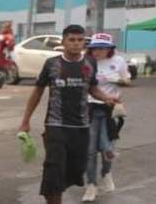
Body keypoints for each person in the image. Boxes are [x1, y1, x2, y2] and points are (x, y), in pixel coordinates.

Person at [18, 25, 118, 204]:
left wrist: (106, 98)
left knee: (75, 170)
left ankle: (56, 191)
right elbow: (37, 92)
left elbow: (92, 88)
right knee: (54, 171)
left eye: (80, 40)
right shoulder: (52, 64)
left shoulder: (89, 63)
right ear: (63, 42)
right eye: (71, 40)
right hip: (56, 126)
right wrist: (26, 121)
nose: (76, 44)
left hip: (81, 127)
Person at [82, 33, 130, 202]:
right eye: (95, 48)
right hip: (90, 107)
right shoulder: (86, 61)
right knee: (90, 150)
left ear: (110, 48)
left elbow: (127, 81)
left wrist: (118, 80)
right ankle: (91, 185)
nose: (98, 51)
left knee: (107, 148)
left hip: (111, 108)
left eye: (102, 48)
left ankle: (106, 172)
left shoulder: (118, 61)